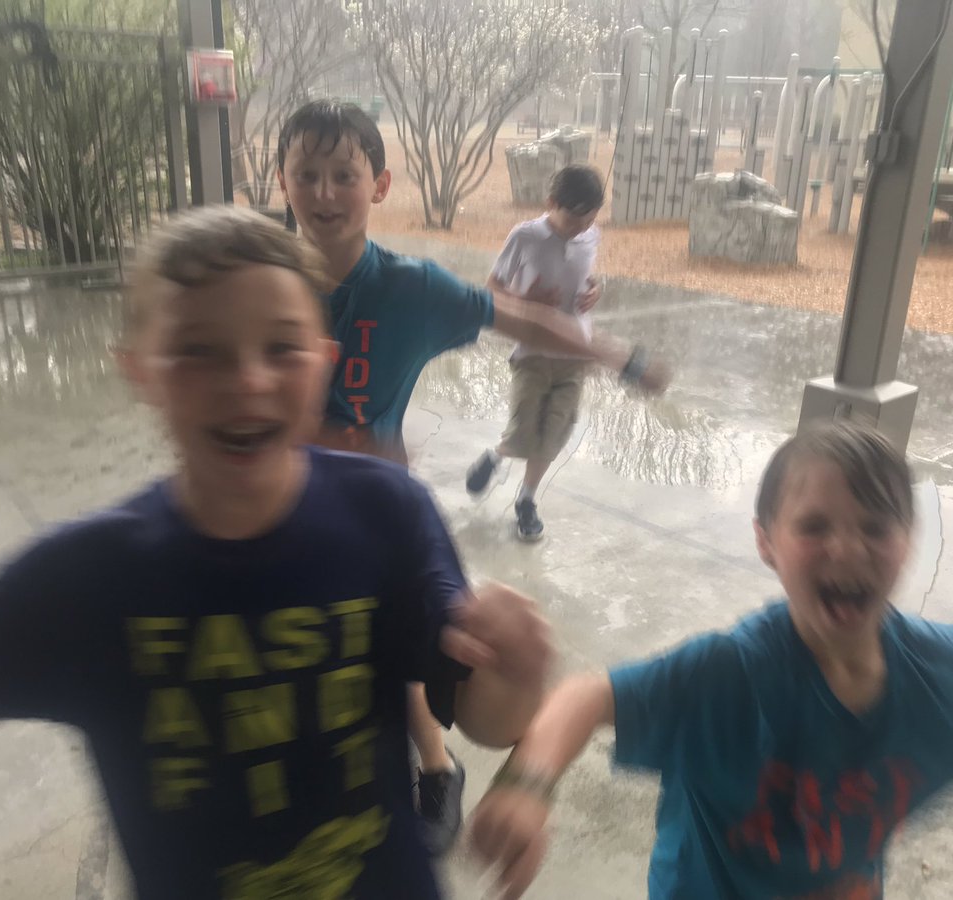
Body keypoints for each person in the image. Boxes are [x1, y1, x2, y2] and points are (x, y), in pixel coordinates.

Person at [0, 207, 554, 900]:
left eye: (281, 347)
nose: (247, 380)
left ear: (323, 362)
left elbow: (484, 716)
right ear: (140, 372)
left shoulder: (389, 515)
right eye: (199, 350)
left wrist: (514, 676)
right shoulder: (90, 579)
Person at [468, 420, 953, 899]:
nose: (846, 549)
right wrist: (528, 786)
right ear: (766, 541)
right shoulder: (730, 677)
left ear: (908, 541)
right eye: (815, 527)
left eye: (876, 527)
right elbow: (589, 696)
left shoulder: (945, 676)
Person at [275, 99, 669, 853]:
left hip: (375, 518)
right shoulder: (259, 279)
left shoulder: (410, 289)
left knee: (410, 644)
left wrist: (617, 355)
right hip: (280, 517)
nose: (324, 193)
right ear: (282, 181)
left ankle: (435, 763)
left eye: (344, 175)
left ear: (380, 185)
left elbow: (517, 317)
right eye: (307, 174)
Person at [464, 163, 605, 542]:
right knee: (525, 425)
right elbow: (492, 289)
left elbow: (587, 274)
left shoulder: (590, 236)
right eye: (573, 219)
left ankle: (526, 500)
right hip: (532, 352)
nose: (581, 229)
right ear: (551, 203)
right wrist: (527, 299)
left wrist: (596, 289)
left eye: (590, 220)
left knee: (554, 431)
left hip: (575, 354)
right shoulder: (526, 237)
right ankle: (496, 456)